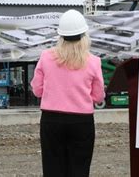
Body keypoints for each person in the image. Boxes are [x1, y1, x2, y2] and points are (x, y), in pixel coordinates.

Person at [31, 9, 105, 177]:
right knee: (80, 168)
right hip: (82, 121)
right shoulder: (94, 61)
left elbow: (37, 90)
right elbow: (98, 96)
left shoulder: (46, 57)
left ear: (61, 36)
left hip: (51, 120)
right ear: (84, 35)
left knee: (52, 168)